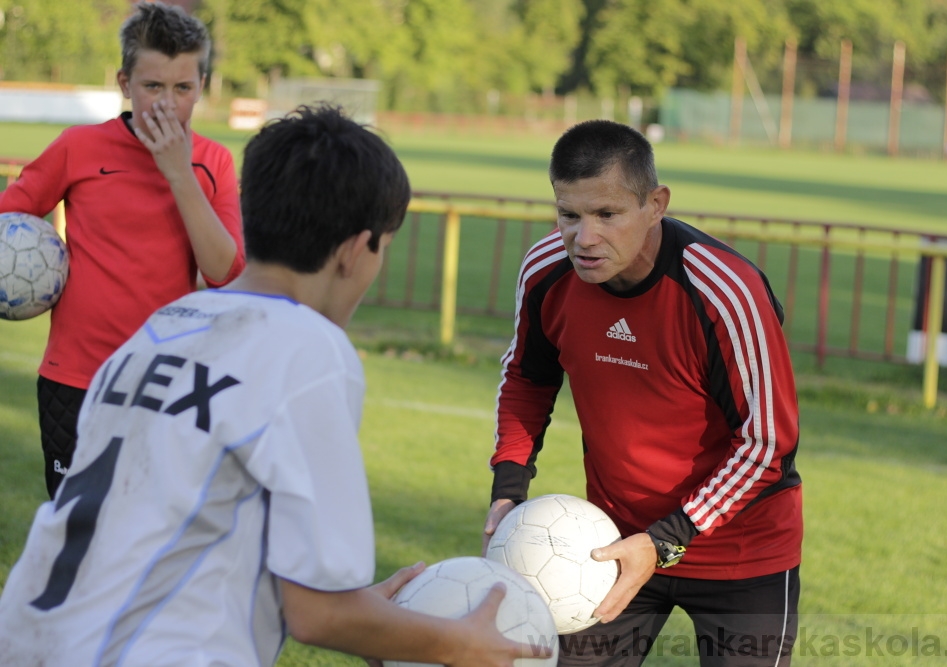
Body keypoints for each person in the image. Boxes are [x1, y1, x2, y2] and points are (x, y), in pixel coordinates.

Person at [0, 104, 553, 667]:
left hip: (28, 638)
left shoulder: (161, 327)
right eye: (382, 250)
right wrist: (460, 644)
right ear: (354, 250)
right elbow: (317, 613)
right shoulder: (306, 349)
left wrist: (364, 607)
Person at [482, 120, 802, 666]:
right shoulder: (545, 271)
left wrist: (665, 540)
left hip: (741, 555)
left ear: (656, 204)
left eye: (607, 215)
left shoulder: (724, 291)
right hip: (608, 546)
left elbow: (767, 444)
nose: (584, 238)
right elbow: (527, 381)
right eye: (569, 214)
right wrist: (508, 488)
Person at [0, 1, 245, 499]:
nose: (166, 103)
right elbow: (10, 215)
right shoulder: (79, 148)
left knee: (157, 540)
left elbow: (223, 271)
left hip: (169, 383)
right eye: (152, 86)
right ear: (124, 83)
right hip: (77, 378)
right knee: (77, 535)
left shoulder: (213, 162)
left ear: (201, 86)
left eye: (183, 88)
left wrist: (178, 171)